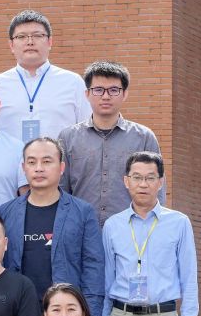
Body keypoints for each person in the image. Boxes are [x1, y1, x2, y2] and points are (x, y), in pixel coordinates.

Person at [99, 152, 197, 316]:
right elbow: (106, 282)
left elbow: (190, 279)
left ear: (161, 182)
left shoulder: (179, 223)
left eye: (150, 178)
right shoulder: (113, 226)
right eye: (137, 177)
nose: (143, 184)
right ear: (126, 181)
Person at [1, 138, 107, 307]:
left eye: (47, 161)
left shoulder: (82, 212)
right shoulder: (6, 212)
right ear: (23, 168)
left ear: (62, 167)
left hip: (64, 313)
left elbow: (93, 268)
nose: (39, 168)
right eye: (32, 162)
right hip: (19, 312)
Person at [59, 61, 160, 225]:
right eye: (98, 90)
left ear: (124, 94)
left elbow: (156, 189)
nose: (105, 96)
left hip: (130, 229)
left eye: (113, 90)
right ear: (87, 94)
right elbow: (61, 189)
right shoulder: (68, 138)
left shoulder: (143, 137)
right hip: (81, 229)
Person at [0, 9, 89, 143]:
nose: (30, 42)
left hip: (61, 157)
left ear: (50, 42)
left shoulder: (73, 82)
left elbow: (87, 132)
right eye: (21, 37)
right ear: (11, 45)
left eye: (37, 35)